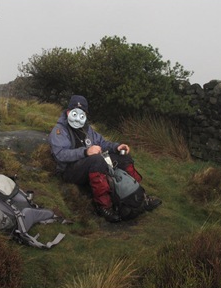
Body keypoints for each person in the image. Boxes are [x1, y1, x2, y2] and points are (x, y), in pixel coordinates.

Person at [48, 95, 162, 223]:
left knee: (123, 157)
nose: (78, 116)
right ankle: (104, 207)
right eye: (74, 111)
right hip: (70, 171)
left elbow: (102, 142)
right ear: (68, 111)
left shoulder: (87, 128)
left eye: (83, 113)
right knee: (97, 160)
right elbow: (60, 154)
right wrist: (85, 152)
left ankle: (139, 196)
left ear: (85, 114)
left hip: (90, 165)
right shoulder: (59, 130)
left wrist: (117, 147)